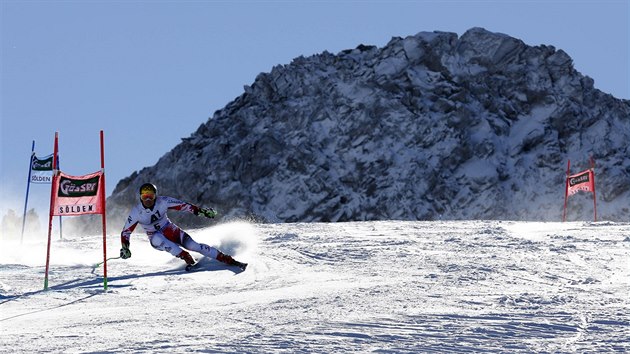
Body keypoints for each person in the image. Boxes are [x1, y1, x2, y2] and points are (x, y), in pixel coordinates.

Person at [119, 183, 247, 271]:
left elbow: (184, 206)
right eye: (144, 196)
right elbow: (126, 232)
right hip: (155, 237)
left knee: (194, 246)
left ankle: (227, 259)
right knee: (158, 238)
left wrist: (201, 211)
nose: (148, 199)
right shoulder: (136, 212)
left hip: (170, 229)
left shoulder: (163, 201)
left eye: (150, 196)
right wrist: (125, 247)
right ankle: (186, 257)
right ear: (140, 197)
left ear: (155, 196)